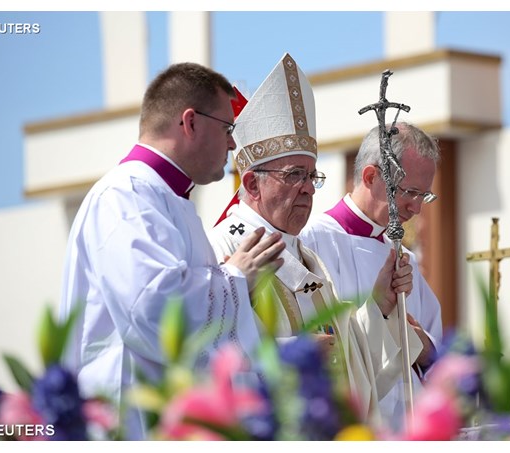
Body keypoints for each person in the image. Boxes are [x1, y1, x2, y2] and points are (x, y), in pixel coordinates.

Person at [59, 62, 286, 439]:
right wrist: (234, 279)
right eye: (228, 129)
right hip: (129, 417)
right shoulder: (125, 194)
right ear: (191, 122)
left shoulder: (170, 201)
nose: (233, 144)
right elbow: (151, 307)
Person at [208, 53, 424, 426]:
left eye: (312, 176)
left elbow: (354, 367)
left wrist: (380, 305)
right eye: (294, 175)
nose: (308, 188)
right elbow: (210, 355)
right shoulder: (224, 250)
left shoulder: (307, 257)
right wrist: (294, 354)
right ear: (252, 184)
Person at [299, 121, 443, 430]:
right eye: (410, 192)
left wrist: (421, 344)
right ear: (370, 176)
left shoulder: (406, 259)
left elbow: (432, 352)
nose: (416, 208)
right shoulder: (312, 245)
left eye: (425, 196)